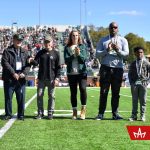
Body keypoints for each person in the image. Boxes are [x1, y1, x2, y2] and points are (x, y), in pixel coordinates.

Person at [96, 22, 129, 120]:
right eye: (112, 27)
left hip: (118, 69)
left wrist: (118, 50)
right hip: (105, 68)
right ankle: (101, 113)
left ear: (118, 29)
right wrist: (107, 50)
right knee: (103, 92)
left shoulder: (123, 40)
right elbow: (97, 54)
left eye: (115, 27)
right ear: (109, 28)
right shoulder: (103, 40)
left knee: (116, 92)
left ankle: (115, 114)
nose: (113, 29)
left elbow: (126, 54)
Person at [29, 35, 60, 120]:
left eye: (49, 42)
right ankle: (40, 113)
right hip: (41, 79)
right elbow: (35, 63)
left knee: (51, 96)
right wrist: (31, 60)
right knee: (39, 95)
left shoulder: (56, 53)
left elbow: (58, 68)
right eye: (46, 42)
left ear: (52, 42)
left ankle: (50, 113)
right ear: (44, 43)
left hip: (52, 79)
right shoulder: (40, 52)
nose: (47, 44)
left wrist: (57, 78)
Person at [1, 34, 30, 120]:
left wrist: (24, 73)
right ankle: (8, 114)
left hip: (21, 79)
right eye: (17, 40)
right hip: (9, 79)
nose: (19, 41)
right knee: (8, 98)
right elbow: (4, 63)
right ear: (13, 40)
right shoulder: (7, 51)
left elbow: (28, 65)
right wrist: (13, 73)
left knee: (21, 98)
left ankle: (21, 115)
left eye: (20, 40)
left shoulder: (25, 52)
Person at [64, 29, 87, 120]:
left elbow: (84, 59)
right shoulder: (67, 47)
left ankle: (83, 110)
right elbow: (66, 60)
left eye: (76, 35)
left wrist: (79, 54)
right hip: (71, 73)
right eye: (73, 35)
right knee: (73, 92)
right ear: (70, 36)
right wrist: (74, 55)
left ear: (79, 36)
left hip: (81, 72)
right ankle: (74, 111)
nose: (75, 37)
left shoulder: (82, 46)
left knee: (83, 89)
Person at [128, 47, 150, 122]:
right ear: (135, 53)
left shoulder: (147, 62)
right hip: (134, 84)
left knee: (143, 100)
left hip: (143, 83)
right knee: (134, 100)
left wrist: (147, 81)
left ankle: (142, 115)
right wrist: (131, 83)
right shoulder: (133, 63)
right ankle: (134, 116)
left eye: (141, 52)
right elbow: (129, 74)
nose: (140, 54)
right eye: (138, 52)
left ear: (143, 53)